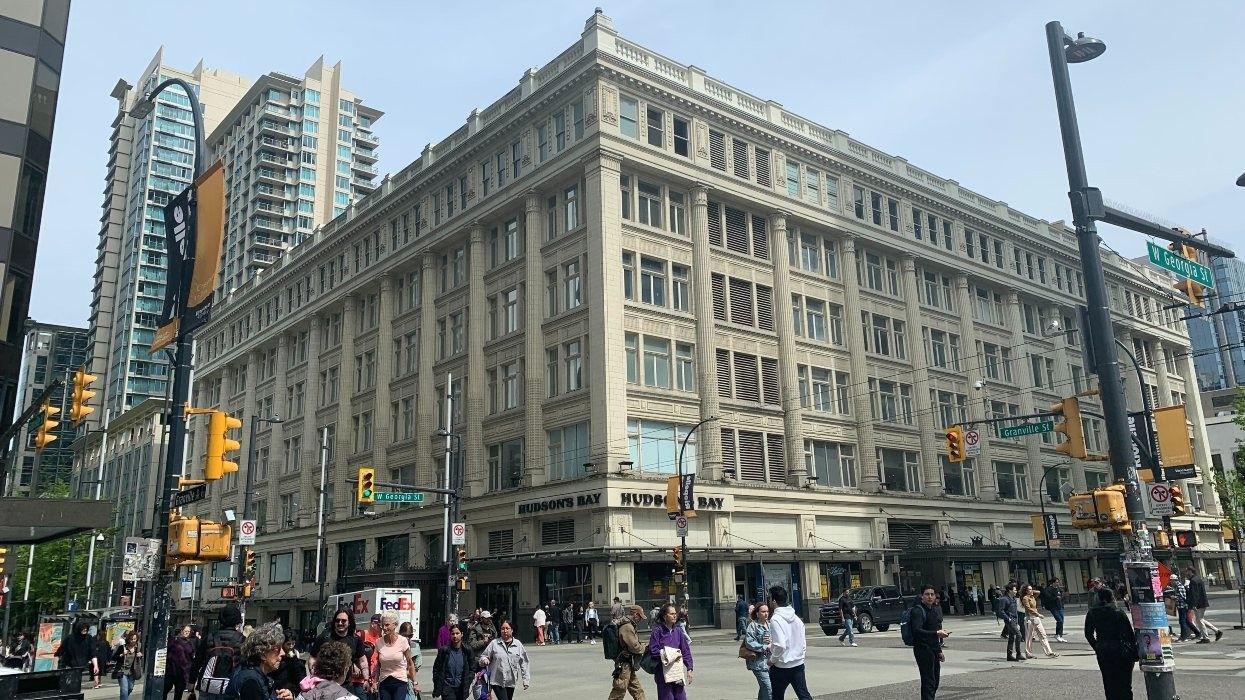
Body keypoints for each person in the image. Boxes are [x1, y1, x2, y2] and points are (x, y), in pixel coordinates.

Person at [1085, 587, 1136, 700]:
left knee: (1109, 682)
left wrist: (1097, 646)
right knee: (1124, 683)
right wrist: (1134, 652)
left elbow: (1088, 634)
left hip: (1103, 649)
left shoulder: (1092, 612)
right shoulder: (1117, 612)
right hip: (1121, 648)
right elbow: (1129, 633)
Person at [311, 608, 370, 699]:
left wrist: (366, 679)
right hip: (323, 685)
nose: (340, 623)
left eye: (343, 621)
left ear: (349, 622)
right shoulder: (325, 636)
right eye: (337, 620)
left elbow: (362, 660)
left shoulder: (355, 639)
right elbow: (313, 657)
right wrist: (313, 674)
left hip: (346, 684)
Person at [768, 585, 812, 700]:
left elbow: (780, 645)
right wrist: (801, 656)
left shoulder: (775, 619)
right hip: (798, 664)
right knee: (804, 695)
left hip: (781, 666)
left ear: (774, 600)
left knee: (777, 696)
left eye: (769, 598)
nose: (769, 601)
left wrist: (771, 661)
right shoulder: (796, 618)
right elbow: (803, 642)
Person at [195, 603, 247, 700]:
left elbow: (197, 661)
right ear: (237, 621)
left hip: (207, 686)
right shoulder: (242, 640)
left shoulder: (209, 637)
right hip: (231, 686)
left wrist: (191, 681)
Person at [231, 623, 293, 700]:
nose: (283, 653)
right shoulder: (251, 681)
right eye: (278, 649)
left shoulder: (258, 676)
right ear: (263, 654)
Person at [908, 585, 949, 700]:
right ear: (922, 596)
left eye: (932, 594)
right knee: (928, 680)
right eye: (927, 594)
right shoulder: (917, 610)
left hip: (933, 649)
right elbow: (917, 630)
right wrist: (936, 633)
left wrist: (939, 651)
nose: (930, 597)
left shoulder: (934, 610)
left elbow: (934, 633)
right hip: (922, 649)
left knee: (935, 680)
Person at [647, 604, 693, 700]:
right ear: (664, 616)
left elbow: (685, 650)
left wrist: (689, 668)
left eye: (675, 613)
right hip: (662, 671)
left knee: (681, 697)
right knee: (667, 697)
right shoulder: (657, 631)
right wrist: (669, 654)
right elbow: (653, 650)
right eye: (671, 614)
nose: (674, 615)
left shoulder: (678, 631)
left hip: (677, 671)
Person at [476, 621, 529, 700]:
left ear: (512, 630)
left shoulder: (518, 644)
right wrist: (485, 660)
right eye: (502, 629)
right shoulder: (494, 643)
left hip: (511, 680)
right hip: (497, 680)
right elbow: (483, 656)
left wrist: (526, 680)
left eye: (507, 628)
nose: (505, 631)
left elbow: (524, 662)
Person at [374, 611, 417, 700]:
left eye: (387, 625)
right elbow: (378, 664)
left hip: (400, 681)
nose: (384, 628)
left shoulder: (403, 641)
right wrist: (375, 681)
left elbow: (410, 663)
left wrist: (415, 683)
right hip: (384, 682)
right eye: (383, 625)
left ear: (395, 625)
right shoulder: (378, 642)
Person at [608, 605, 648, 700]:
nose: (640, 619)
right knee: (619, 689)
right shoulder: (627, 626)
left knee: (637, 689)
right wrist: (644, 647)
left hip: (628, 663)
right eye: (640, 616)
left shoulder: (628, 625)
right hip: (624, 663)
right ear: (635, 614)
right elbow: (634, 647)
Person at [431, 624, 476, 700]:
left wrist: (468, 680)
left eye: (457, 633)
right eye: (453, 634)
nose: (455, 636)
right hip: (447, 688)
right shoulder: (444, 650)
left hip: (461, 688)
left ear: (462, 634)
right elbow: (436, 668)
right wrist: (438, 683)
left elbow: (472, 668)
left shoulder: (467, 650)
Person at [742, 602, 772, 700]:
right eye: (763, 611)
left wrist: (772, 641)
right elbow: (749, 642)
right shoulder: (753, 626)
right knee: (769, 688)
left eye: (767, 611)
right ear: (757, 613)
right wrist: (764, 646)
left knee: (764, 688)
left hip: (770, 662)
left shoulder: (771, 625)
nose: (766, 614)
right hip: (758, 663)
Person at [1020, 585, 1058, 658]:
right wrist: (1038, 614)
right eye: (1029, 589)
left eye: (1031, 589)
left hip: (1036, 619)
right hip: (1030, 619)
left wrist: (1031, 591)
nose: (1031, 591)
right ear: (1026, 591)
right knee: (1029, 637)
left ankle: (1049, 652)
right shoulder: (1025, 598)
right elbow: (1028, 609)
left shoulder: (1032, 597)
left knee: (1043, 635)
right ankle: (1028, 653)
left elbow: (1039, 592)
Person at [268, 628, 307, 697]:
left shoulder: (296, 661)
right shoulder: (277, 658)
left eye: (293, 643)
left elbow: (301, 679)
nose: (291, 646)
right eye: (288, 644)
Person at [1186, 566, 1221, 643]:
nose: (1186, 573)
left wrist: (1194, 605)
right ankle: (1217, 631)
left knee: (1199, 620)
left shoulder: (1193, 581)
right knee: (1200, 619)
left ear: (1190, 571)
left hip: (1199, 603)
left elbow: (1195, 594)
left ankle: (1206, 638)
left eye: (1187, 571)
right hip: (1202, 602)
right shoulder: (1198, 579)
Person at [109, 630, 144, 700]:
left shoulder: (138, 647)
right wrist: (121, 654)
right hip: (122, 671)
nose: (133, 641)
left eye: (134, 639)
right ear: (128, 639)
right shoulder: (122, 647)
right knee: (124, 690)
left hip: (132, 671)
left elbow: (143, 655)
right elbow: (113, 657)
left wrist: (141, 655)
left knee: (130, 688)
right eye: (131, 639)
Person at [165, 625, 196, 700]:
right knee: (165, 690)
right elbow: (167, 652)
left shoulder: (190, 643)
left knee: (179, 694)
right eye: (185, 631)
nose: (187, 633)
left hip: (183, 672)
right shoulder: (173, 640)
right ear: (181, 631)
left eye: (188, 631)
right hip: (171, 671)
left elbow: (191, 656)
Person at [397, 621, 423, 699]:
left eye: (410, 635)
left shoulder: (415, 647)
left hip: (410, 684)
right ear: (399, 634)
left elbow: (415, 669)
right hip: (396, 684)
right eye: (405, 635)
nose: (407, 638)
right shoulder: (394, 647)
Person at [1164, 576, 1194, 642]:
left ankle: (1184, 636)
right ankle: (1193, 633)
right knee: (1185, 621)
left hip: (1182, 606)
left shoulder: (1179, 587)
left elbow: (1182, 597)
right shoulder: (1176, 586)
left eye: (1171, 581)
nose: (1171, 582)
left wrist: (1173, 597)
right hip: (1180, 606)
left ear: (1174, 580)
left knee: (1182, 621)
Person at [1000, 584, 1023, 662]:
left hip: (1014, 619)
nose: (1016, 591)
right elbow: (1001, 611)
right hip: (1010, 620)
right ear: (1010, 590)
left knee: (1011, 637)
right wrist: (1008, 618)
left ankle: (1009, 655)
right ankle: (1018, 653)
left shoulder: (1013, 599)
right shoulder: (1004, 599)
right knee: (1019, 635)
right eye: (1015, 590)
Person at [1039, 578, 1067, 642]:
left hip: (1059, 606)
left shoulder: (1058, 589)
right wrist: (1055, 598)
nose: (1058, 583)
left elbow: (1061, 596)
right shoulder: (1048, 589)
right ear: (1053, 583)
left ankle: (1060, 635)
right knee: (1059, 620)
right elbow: (1047, 598)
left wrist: (1062, 602)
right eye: (1056, 582)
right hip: (1053, 607)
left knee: (1061, 620)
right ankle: (1057, 635)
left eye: (1058, 582)